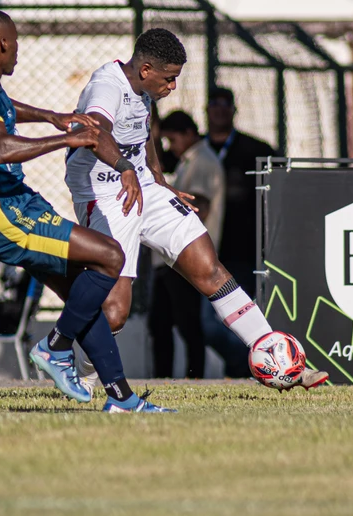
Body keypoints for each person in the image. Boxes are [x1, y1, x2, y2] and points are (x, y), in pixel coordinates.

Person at [62, 29, 327, 390]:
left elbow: (144, 135)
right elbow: (95, 133)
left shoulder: (143, 91)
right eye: (170, 78)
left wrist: (158, 179)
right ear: (146, 69)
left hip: (142, 187)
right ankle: (80, 372)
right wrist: (126, 169)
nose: (173, 86)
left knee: (210, 269)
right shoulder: (105, 87)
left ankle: (278, 360)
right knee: (115, 311)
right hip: (106, 195)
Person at [0, 8, 174, 413]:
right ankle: (55, 346)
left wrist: (51, 116)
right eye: (15, 43)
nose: (18, 51)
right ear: (1, 44)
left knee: (80, 299)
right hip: (4, 213)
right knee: (110, 256)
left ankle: (121, 398)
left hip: (19, 203)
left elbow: (4, 104)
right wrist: (63, 140)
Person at [203, 86, 279, 377]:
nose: (220, 109)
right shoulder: (197, 150)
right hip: (202, 249)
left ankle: (244, 367)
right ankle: (245, 364)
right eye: (214, 103)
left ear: (234, 110)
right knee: (206, 325)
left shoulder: (255, 150)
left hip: (242, 251)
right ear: (207, 110)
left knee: (242, 315)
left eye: (226, 104)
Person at [147, 110, 223, 379]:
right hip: (171, 257)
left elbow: (199, 206)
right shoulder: (187, 161)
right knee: (160, 323)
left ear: (189, 134)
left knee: (188, 324)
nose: (170, 148)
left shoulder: (202, 161)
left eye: (173, 140)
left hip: (186, 255)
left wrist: (160, 216)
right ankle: (163, 376)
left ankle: (195, 377)